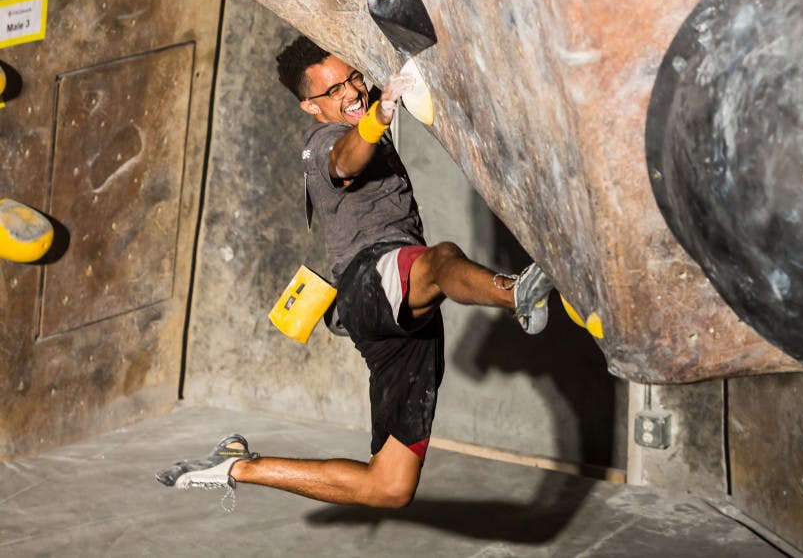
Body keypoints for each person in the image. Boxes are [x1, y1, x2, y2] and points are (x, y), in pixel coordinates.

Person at [155, 36, 554, 508]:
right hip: (368, 280)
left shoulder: (360, 118)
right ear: (311, 107)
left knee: (389, 487)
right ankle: (518, 295)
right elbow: (346, 161)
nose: (352, 91)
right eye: (334, 90)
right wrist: (380, 114)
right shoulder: (323, 143)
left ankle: (236, 466)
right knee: (439, 260)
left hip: (398, 320)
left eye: (353, 78)